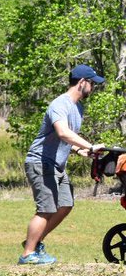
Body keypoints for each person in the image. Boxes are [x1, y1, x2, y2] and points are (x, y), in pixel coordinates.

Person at [20, 64, 107, 265]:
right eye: (92, 83)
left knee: (66, 204)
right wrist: (91, 145)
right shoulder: (60, 104)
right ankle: (27, 254)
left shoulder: (78, 107)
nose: (93, 88)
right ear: (82, 82)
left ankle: (35, 241)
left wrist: (80, 150)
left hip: (56, 165)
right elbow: (63, 132)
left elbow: (65, 140)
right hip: (41, 163)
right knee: (46, 209)